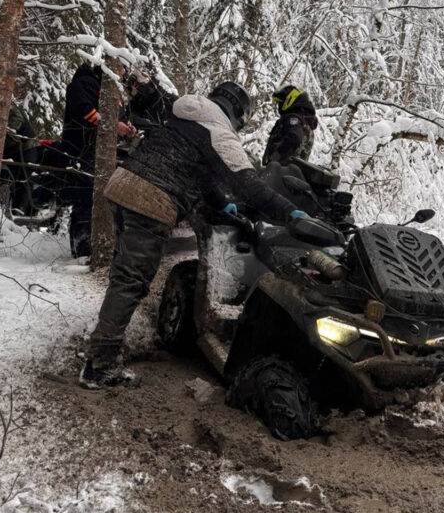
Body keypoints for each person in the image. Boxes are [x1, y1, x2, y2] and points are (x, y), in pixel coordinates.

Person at [80, 80, 309, 388]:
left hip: (122, 185)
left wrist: (221, 203)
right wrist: (290, 213)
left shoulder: (185, 114)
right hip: (150, 200)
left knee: (124, 274)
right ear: (238, 113)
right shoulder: (220, 133)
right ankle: (100, 364)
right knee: (131, 281)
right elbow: (250, 186)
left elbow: (197, 170)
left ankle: (101, 343)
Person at [62, 63, 136, 257]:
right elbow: (84, 112)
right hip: (81, 150)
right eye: (121, 68)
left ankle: (103, 243)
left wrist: (127, 127)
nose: (123, 73)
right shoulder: (83, 84)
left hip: (105, 151)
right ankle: (82, 249)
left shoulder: (112, 91)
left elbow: (120, 117)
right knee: (85, 197)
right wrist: (113, 125)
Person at [262, 85, 318, 165]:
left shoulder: (293, 119)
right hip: (291, 170)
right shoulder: (305, 122)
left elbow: (294, 137)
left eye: (280, 103)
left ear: (289, 100)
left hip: (279, 169)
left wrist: (276, 156)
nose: (278, 106)